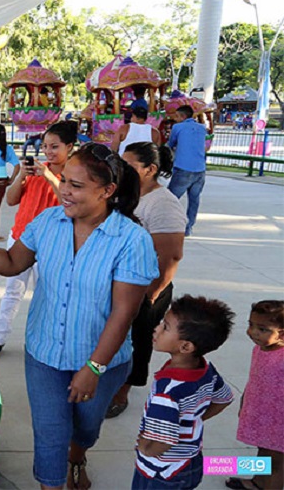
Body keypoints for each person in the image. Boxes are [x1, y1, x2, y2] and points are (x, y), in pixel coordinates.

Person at [0, 143, 158, 489]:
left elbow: (125, 312)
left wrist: (94, 368)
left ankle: (78, 456)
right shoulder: (48, 221)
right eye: (64, 181)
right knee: (50, 432)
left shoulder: (131, 240)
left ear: (107, 191)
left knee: (86, 428)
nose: (64, 190)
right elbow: (11, 263)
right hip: (44, 353)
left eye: (76, 185)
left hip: (101, 360)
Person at [0, 120, 74, 359]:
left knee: (46, 296)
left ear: (69, 147)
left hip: (50, 246)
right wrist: (21, 177)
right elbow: (11, 200)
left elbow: (69, 203)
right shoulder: (36, 170)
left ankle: (43, 343)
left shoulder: (73, 175)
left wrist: (49, 177)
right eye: (45, 146)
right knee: (12, 292)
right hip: (19, 238)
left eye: (55, 146)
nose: (48, 151)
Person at [107, 142, 186, 418]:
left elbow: (171, 255)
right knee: (116, 333)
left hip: (147, 287)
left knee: (138, 339)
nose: (120, 170)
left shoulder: (163, 203)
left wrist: (152, 294)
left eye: (127, 165)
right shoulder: (126, 194)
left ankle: (123, 391)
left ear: (150, 169)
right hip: (121, 282)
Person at [132, 295, 234, 489]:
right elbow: (224, 398)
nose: (157, 328)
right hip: (191, 461)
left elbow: (164, 442)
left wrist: (145, 448)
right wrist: (195, 419)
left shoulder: (167, 391)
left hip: (162, 471)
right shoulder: (206, 369)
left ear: (186, 346)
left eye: (165, 327)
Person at [226, 300, 284, 490]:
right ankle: (258, 482)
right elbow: (255, 379)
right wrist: (245, 402)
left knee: (276, 463)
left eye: (262, 329)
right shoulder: (260, 348)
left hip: (279, 420)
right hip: (262, 412)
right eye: (251, 325)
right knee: (264, 449)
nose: (253, 332)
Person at [167, 105, 208, 236]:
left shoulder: (177, 127)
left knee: (169, 199)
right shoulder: (202, 128)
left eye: (177, 116)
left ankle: (167, 224)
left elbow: (171, 143)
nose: (175, 119)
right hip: (200, 169)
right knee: (194, 199)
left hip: (183, 168)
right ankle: (188, 227)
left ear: (183, 116)